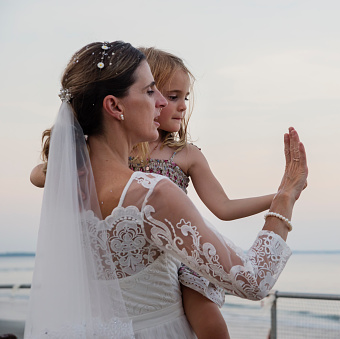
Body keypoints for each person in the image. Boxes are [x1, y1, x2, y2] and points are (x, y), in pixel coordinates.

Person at [25, 41, 308, 339]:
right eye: (150, 91)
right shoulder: (153, 195)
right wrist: (285, 197)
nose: (161, 102)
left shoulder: (70, 184)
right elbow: (252, 281)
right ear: (114, 106)